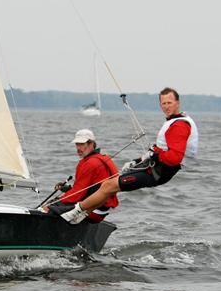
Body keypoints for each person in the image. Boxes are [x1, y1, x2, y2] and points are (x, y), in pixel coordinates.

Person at [61, 87, 199, 224]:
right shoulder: (176, 120)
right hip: (156, 168)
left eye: (170, 103)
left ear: (178, 103)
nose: (166, 106)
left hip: (159, 172)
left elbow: (174, 158)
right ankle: (83, 212)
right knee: (107, 186)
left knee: (109, 186)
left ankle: (74, 213)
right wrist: (138, 160)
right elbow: (160, 149)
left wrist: (155, 156)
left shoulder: (179, 125)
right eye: (163, 103)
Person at [42, 128, 119, 223]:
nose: (78, 148)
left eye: (82, 144)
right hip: (102, 210)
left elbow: (78, 194)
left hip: (93, 210)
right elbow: (88, 189)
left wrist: (55, 203)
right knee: (54, 205)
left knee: (47, 208)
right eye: (77, 144)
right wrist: (67, 188)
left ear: (91, 144)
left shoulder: (91, 163)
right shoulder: (103, 158)